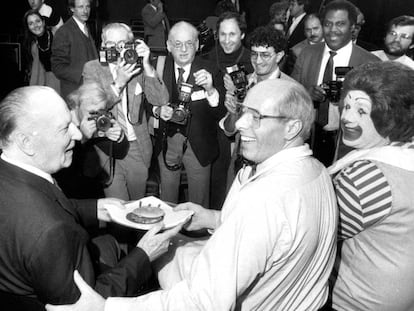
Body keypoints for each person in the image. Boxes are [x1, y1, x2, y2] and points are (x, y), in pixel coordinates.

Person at [45, 78, 338, 311]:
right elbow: (279, 234)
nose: (239, 124)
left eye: (257, 117)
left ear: (293, 127)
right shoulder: (317, 170)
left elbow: (203, 302)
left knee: (161, 250)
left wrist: (107, 306)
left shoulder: (264, 198)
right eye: (244, 112)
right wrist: (212, 216)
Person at [0, 86, 181, 309]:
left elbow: (47, 202)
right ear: (26, 142)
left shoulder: (12, 172)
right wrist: (143, 255)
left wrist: (95, 208)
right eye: (65, 129)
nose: (77, 135)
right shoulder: (52, 232)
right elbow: (88, 303)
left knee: (109, 243)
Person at [326, 61, 414, 310]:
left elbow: (314, 230)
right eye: (347, 106)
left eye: (361, 111)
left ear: (390, 116)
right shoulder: (405, 153)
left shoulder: (367, 177)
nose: (346, 117)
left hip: (357, 301)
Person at [82, 22, 169, 201]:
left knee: (136, 204)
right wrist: (119, 83)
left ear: (130, 45)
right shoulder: (92, 68)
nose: (116, 50)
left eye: (122, 44)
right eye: (110, 45)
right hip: (107, 147)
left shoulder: (137, 67)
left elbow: (161, 100)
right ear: (103, 46)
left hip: (137, 146)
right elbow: (91, 107)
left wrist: (147, 66)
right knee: (117, 209)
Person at [291, 0, 379, 167]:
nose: (333, 30)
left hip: (349, 147)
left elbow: (377, 113)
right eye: (328, 24)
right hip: (309, 141)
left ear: (353, 27)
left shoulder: (370, 63)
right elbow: (291, 95)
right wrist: (306, 95)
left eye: (340, 24)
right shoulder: (306, 53)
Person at [153, 21, 225, 209]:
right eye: (177, 44)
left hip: (199, 144)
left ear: (198, 45)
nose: (184, 49)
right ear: (168, 46)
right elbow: (146, 103)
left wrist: (210, 89)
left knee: (199, 203)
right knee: (166, 202)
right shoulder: (158, 68)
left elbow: (221, 113)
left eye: (189, 43)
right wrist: (158, 111)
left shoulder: (211, 69)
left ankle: (197, 236)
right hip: (167, 142)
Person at [222, 25, 295, 187]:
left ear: (279, 56)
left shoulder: (291, 91)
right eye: (254, 54)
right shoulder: (241, 83)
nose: (258, 61)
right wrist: (233, 113)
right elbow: (229, 130)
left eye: (265, 55)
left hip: (271, 170)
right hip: (239, 166)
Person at [204, 11, 253, 210]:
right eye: (222, 34)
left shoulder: (253, 60)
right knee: (214, 181)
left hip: (241, 130)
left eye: (232, 34)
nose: (226, 40)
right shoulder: (206, 58)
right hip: (211, 129)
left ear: (242, 35)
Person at [51, 0, 98, 99]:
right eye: (81, 7)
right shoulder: (63, 32)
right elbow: (57, 67)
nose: (85, 11)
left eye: (87, 6)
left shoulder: (87, 28)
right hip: (75, 94)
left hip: (90, 91)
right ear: (72, 9)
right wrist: (83, 73)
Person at [23, 9, 60, 94]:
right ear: (28, 27)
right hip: (48, 83)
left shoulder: (57, 35)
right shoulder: (33, 46)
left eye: (37, 21)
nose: (35, 25)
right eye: (31, 23)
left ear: (43, 22)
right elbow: (36, 72)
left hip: (65, 80)